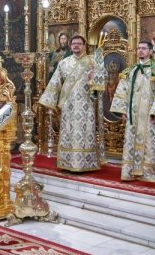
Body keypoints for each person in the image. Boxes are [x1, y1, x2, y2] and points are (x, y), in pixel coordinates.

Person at [39, 34, 106, 173]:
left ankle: (86, 162)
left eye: (79, 44)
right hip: (68, 105)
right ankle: (67, 161)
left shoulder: (93, 61)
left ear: (84, 45)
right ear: (71, 46)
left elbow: (102, 81)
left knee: (85, 132)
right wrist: (49, 101)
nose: (76, 46)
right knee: (69, 132)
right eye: (74, 44)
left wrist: (95, 78)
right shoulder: (64, 63)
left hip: (85, 104)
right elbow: (55, 82)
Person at [110, 42, 155, 183]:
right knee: (131, 142)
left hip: (149, 116)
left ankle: (149, 174)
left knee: (150, 143)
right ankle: (130, 172)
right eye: (138, 48)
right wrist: (122, 111)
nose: (140, 51)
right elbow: (122, 91)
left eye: (144, 48)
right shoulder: (130, 70)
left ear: (150, 51)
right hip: (133, 115)